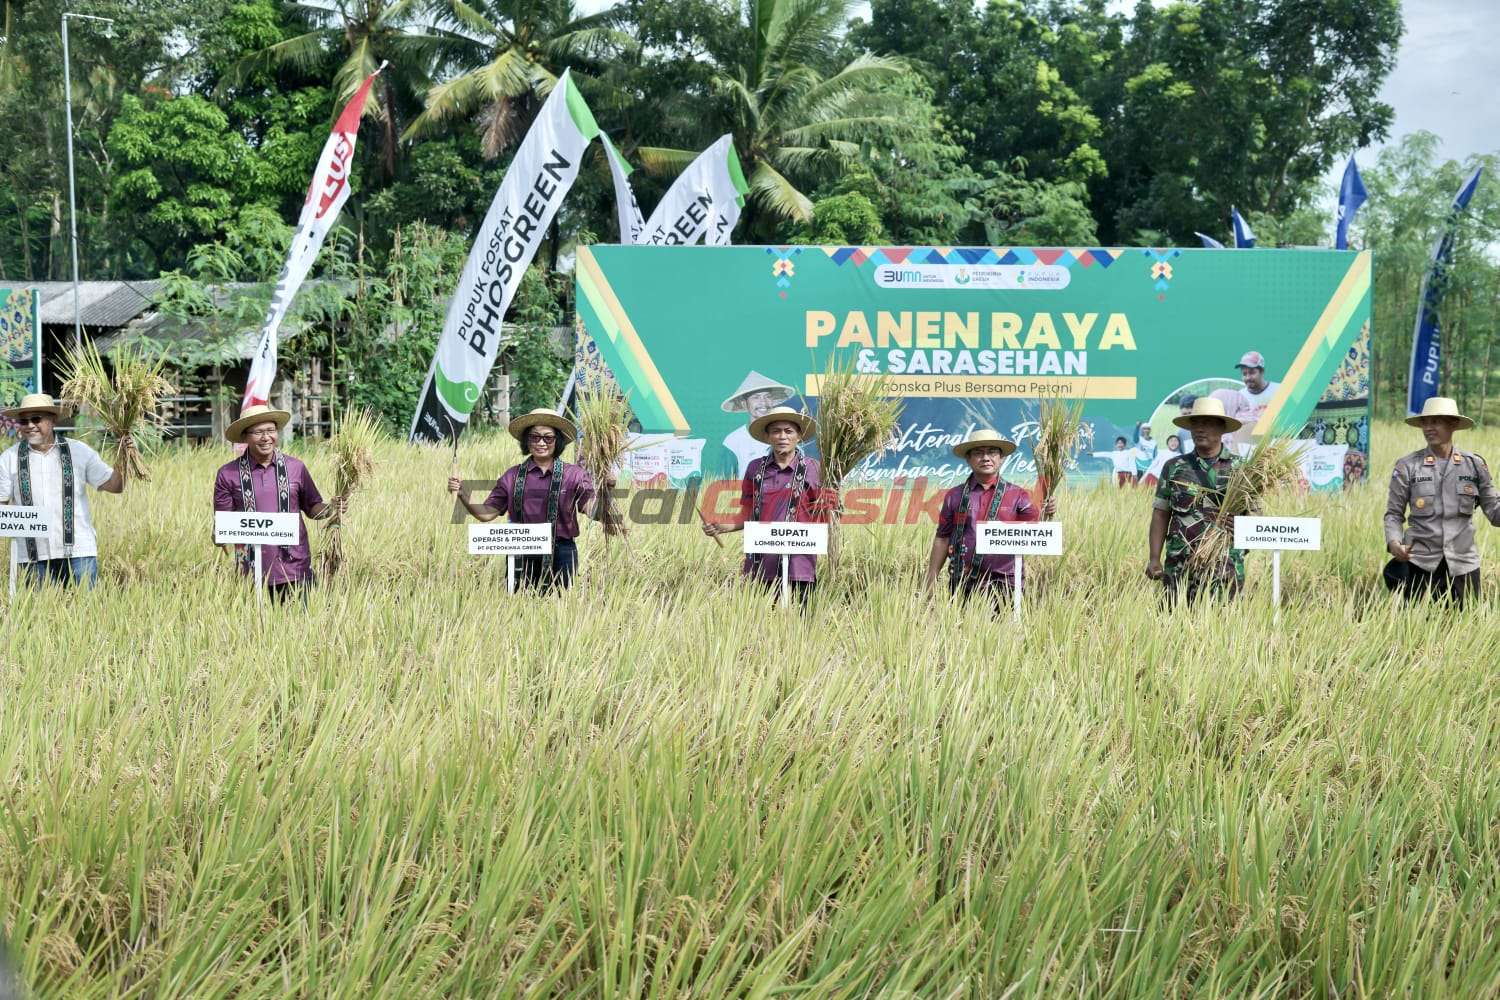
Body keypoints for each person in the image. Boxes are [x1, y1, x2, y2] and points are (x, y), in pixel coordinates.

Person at [448, 407, 613, 592]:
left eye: (548, 438)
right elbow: (486, 514)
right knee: (519, 605)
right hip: (521, 550)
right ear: (527, 441)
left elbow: (594, 511)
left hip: (562, 553)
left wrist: (606, 492)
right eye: (535, 437)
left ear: (557, 441)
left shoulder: (574, 475)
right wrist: (462, 494)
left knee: (562, 605)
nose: (541, 443)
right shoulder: (512, 476)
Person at [213, 404, 344, 602]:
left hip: (295, 567)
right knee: (254, 622)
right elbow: (223, 524)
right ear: (245, 436)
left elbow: (312, 507)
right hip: (250, 572)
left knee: (301, 620)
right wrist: (219, 535)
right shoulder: (228, 474)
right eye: (258, 432)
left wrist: (332, 509)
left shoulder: (296, 468)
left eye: (271, 430)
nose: (266, 437)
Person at [0, 393, 128, 587]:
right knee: (40, 606)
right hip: (33, 556)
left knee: (85, 605)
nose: (30, 425)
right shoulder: (8, 458)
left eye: (36, 419)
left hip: (79, 552)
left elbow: (115, 486)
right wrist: (15, 521)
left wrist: (124, 458)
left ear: (53, 420)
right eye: (23, 421)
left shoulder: (79, 451)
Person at [702, 405, 826, 605]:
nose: (782, 436)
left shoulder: (814, 469)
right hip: (762, 565)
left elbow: (825, 513)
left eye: (789, 431)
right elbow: (748, 513)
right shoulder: (755, 469)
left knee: (803, 620)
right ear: (768, 437)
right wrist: (721, 526)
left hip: (800, 566)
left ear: (799, 436)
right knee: (761, 619)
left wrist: (832, 505)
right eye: (776, 431)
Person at [1383, 396, 1500, 606]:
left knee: (1467, 622)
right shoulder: (1408, 466)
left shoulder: (1474, 466)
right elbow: (1393, 514)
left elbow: (1494, 511)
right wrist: (1393, 543)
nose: (1429, 428)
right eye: (1425, 422)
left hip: (1463, 565)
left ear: (1453, 424)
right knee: (1417, 624)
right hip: (1421, 564)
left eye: (1436, 421)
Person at [924, 429, 1055, 609]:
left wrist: (1047, 513)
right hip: (963, 582)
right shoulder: (954, 496)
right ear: (968, 459)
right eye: (978, 453)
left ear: (1001, 458)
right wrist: (931, 577)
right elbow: (943, 538)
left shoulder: (1019, 495)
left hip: (1007, 583)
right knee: (962, 627)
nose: (986, 458)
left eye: (992, 452)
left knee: (1006, 627)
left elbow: (1035, 531)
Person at [1146, 397, 1245, 604]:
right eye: (1196, 423)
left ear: (1222, 428)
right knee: (1174, 620)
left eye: (1207, 423)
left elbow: (1255, 515)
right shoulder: (1174, 467)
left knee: (1223, 622)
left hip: (1225, 567)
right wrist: (1154, 558)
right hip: (1180, 568)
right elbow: (1161, 513)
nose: (1200, 429)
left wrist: (1242, 526)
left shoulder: (1241, 469)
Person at [720, 371, 795, 476]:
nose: (763, 402)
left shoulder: (788, 437)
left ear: (773, 401)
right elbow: (724, 483)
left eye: (767, 396)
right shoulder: (733, 442)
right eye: (756, 397)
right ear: (744, 404)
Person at [1221, 351, 1281, 445]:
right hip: (1250, 447)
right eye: (1244, 374)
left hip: (1278, 444)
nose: (1248, 377)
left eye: (1252, 373)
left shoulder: (1279, 390)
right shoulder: (1239, 396)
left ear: (1262, 372)